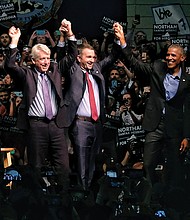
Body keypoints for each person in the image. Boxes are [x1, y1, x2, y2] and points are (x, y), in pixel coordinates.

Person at [4, 19, 78, 216]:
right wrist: (14, 41)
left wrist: (70, 34)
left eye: (47, 58)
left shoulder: (55, 70)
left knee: (63, 166)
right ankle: (38, 205)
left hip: (56, 125)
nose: (45, 62)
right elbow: (10, 65)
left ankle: (65, 203)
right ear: (34, 61)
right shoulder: (26, 74)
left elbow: (72, 56)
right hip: (36, 126)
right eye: (41, 59)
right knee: (36, 165)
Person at [114, 23, 190, 203]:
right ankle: (152, 195)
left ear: (182, 58)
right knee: (148, 164)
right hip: (154, 124)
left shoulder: (187, 80)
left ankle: (171, 200)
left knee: (175, 167)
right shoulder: (157, 67)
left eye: (173, 55)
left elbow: (188, 110)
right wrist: (123, 41)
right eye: (168, 55)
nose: (169, 58)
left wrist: (187, 136)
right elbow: (135, 63)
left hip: (174, 128)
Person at [60, 25, 124, 191]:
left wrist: (118, 38)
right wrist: (70, 35)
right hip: (80, 124)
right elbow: (69, 53)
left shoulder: (96, 68)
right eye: (88, 57)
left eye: (94, 57)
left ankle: (90, 194)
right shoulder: (73, 70)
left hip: (97, 124)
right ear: (79, 58)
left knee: (93, 161)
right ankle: (82, 193)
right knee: (81, 161)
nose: (91, 60)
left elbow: (112, 57)